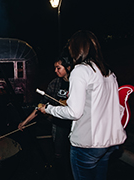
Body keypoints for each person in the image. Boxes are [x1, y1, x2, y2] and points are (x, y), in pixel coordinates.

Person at [39, 30, 127, 180]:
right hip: (109, 142)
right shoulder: (108, 71)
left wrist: (48, 109)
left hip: (89, 144)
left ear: (76, 49)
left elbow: (74, 112)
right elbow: (116, 107)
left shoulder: (80, 70)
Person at [18, 47, 73, 180]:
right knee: (59, 155)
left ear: (68, 67)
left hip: (75, 125)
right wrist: (25, 122)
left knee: (74, 154)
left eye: (58, 68)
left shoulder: (76, 83)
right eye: (55, 68)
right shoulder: (54, 84)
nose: (55, 71)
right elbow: (41, 105)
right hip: (59, 124)